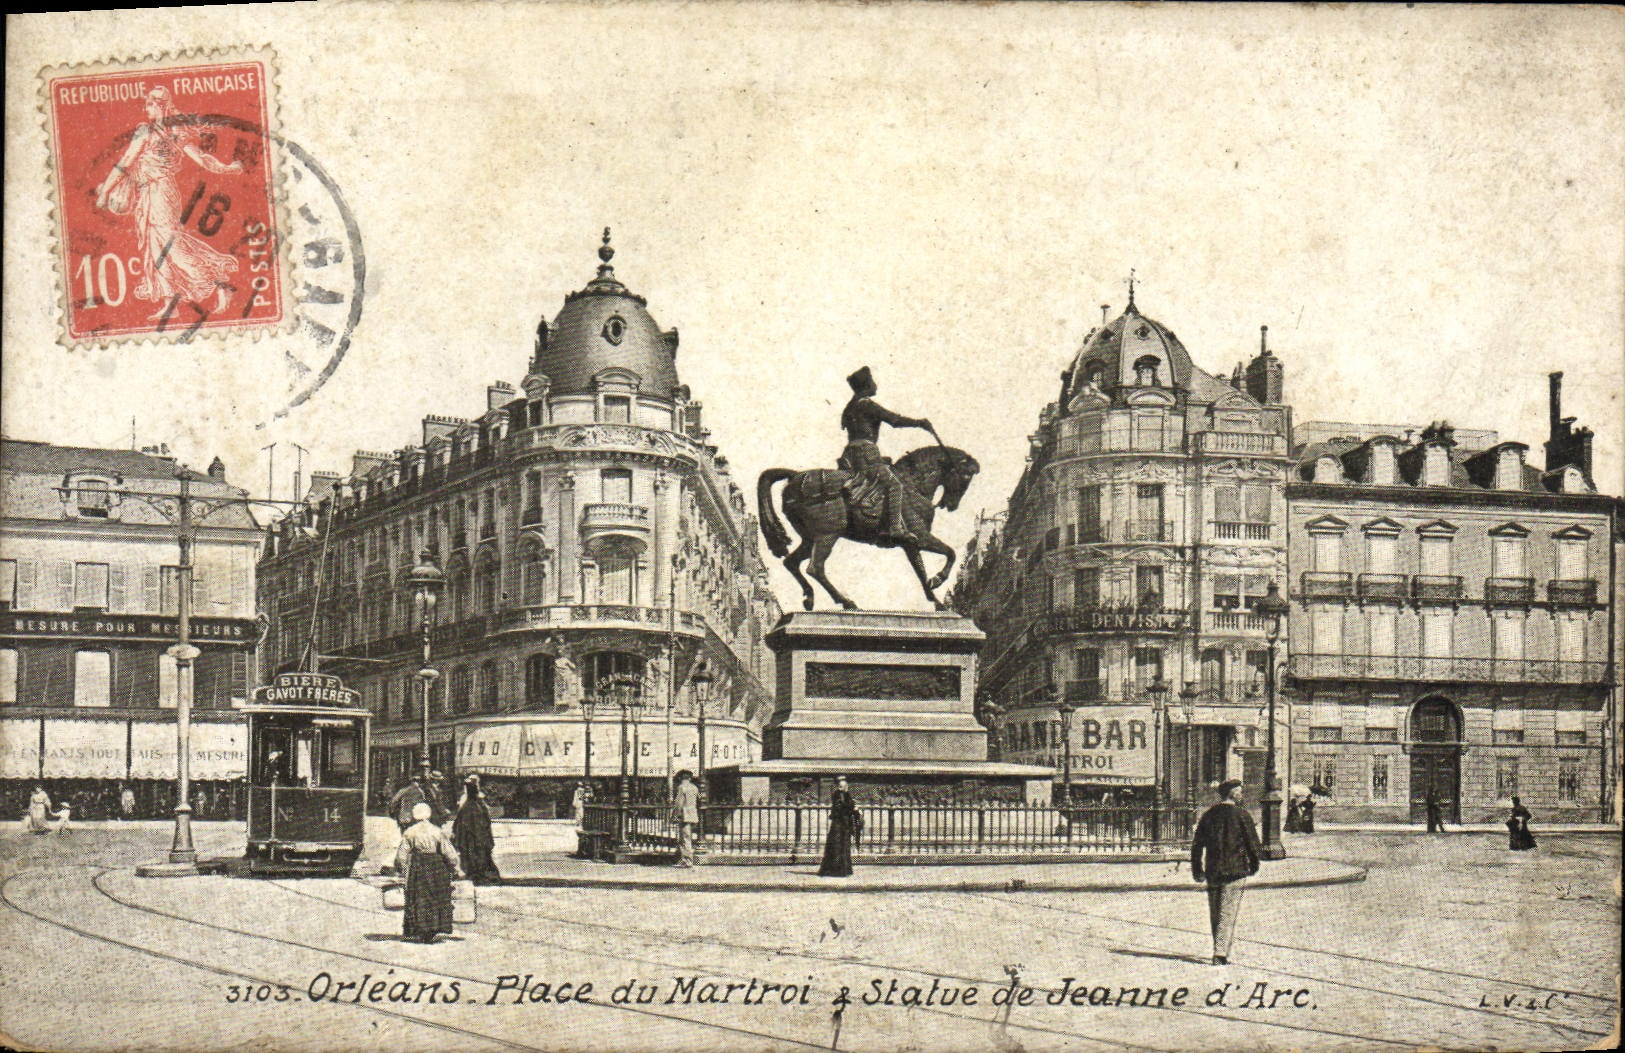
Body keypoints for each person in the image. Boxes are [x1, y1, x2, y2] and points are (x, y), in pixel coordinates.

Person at [93, 86, 246, 318]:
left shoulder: (152, 132)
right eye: (146, 104)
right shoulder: (174, 133)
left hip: (160, 193)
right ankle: (170, 304)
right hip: (152, 192)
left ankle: (218, 284)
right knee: (156, 247)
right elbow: (203, 159)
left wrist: (106, 191)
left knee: (171, 246)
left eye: (152, 104)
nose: (147, 109)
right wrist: (228, 168)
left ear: (162, 105)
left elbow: (126, 161)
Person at [838, 366, 935, 545]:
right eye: (872, 381)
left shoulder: (850, 408)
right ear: (867, 385)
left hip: (850, 455)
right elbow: (895, 420)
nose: (876, 384)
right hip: (866, 453)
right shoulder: (867, 405)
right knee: (894, 485)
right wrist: (919, 423)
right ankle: (895, 529)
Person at [1190, 779, 1262, 966]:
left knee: (1215, 911)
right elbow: (1253, 844)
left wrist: (1197, 869)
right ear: (1232, 793)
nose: (1241, 794)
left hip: (1213, 870)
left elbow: (1197, 845)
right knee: (1227, 911)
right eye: (1239, 791)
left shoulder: (1208, 815)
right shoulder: (1242, 815)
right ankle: (1220, 953)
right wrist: (1254, 864)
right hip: (1235, 870)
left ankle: (1218, 949)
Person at [395, 802, 462, 943]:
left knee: (418, 897)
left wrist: (402, 869)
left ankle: (418, 929)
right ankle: (434, 928)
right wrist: (455, 867)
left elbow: (402, 854)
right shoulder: (437, 831)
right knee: (435, 897)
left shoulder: (410, 832)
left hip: (418, 866)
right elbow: (448, 852)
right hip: (436, 866)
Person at [452, 775, 501, 885]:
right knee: (479, 857)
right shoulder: (478, 805)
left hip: (472, 838)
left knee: (475, 857)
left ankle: (478, 875)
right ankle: (479, 875)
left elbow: (460, 823)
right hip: (476, 838)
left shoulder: (469, 805)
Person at [818, 776, 864, 878]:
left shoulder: (843, 794)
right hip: (840, 824)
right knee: (838, 846)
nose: (846, 787)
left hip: (843, 824)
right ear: (842, 786)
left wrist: (853, 807)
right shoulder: (839, 794)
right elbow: (841, 808)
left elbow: (846, 805)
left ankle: (842, 869)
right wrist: (854, 809)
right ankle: (837, 870)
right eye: (844, 785)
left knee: (842, 845)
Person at [672, 770, 701, 868]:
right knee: (687, 837)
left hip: (684, 815)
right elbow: (699, 799)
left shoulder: (681, 787)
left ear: (680, 778)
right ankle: (684, 859)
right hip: (693, 814)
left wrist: (675, 815)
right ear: (690, 778)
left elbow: (679, 803)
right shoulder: (694, 787)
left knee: (685, 838)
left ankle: (687, 860)